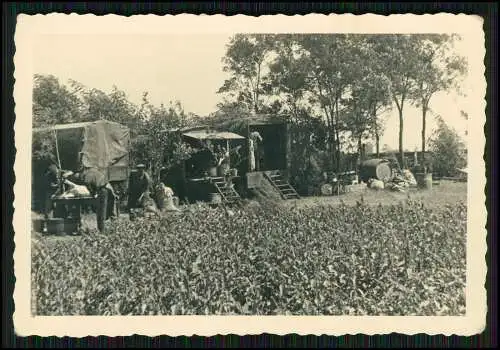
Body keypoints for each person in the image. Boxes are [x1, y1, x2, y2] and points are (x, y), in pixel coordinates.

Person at [71, 167, 117, 232]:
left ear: (79, 173)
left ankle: (102, 230)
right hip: (108, 187)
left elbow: (89, 187)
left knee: (101, 211)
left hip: (103, 189)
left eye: (77, 177)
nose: (78, 179)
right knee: (111, 209)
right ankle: (114, 228)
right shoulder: (90, 171)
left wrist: (93, 194)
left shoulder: (86, 177)